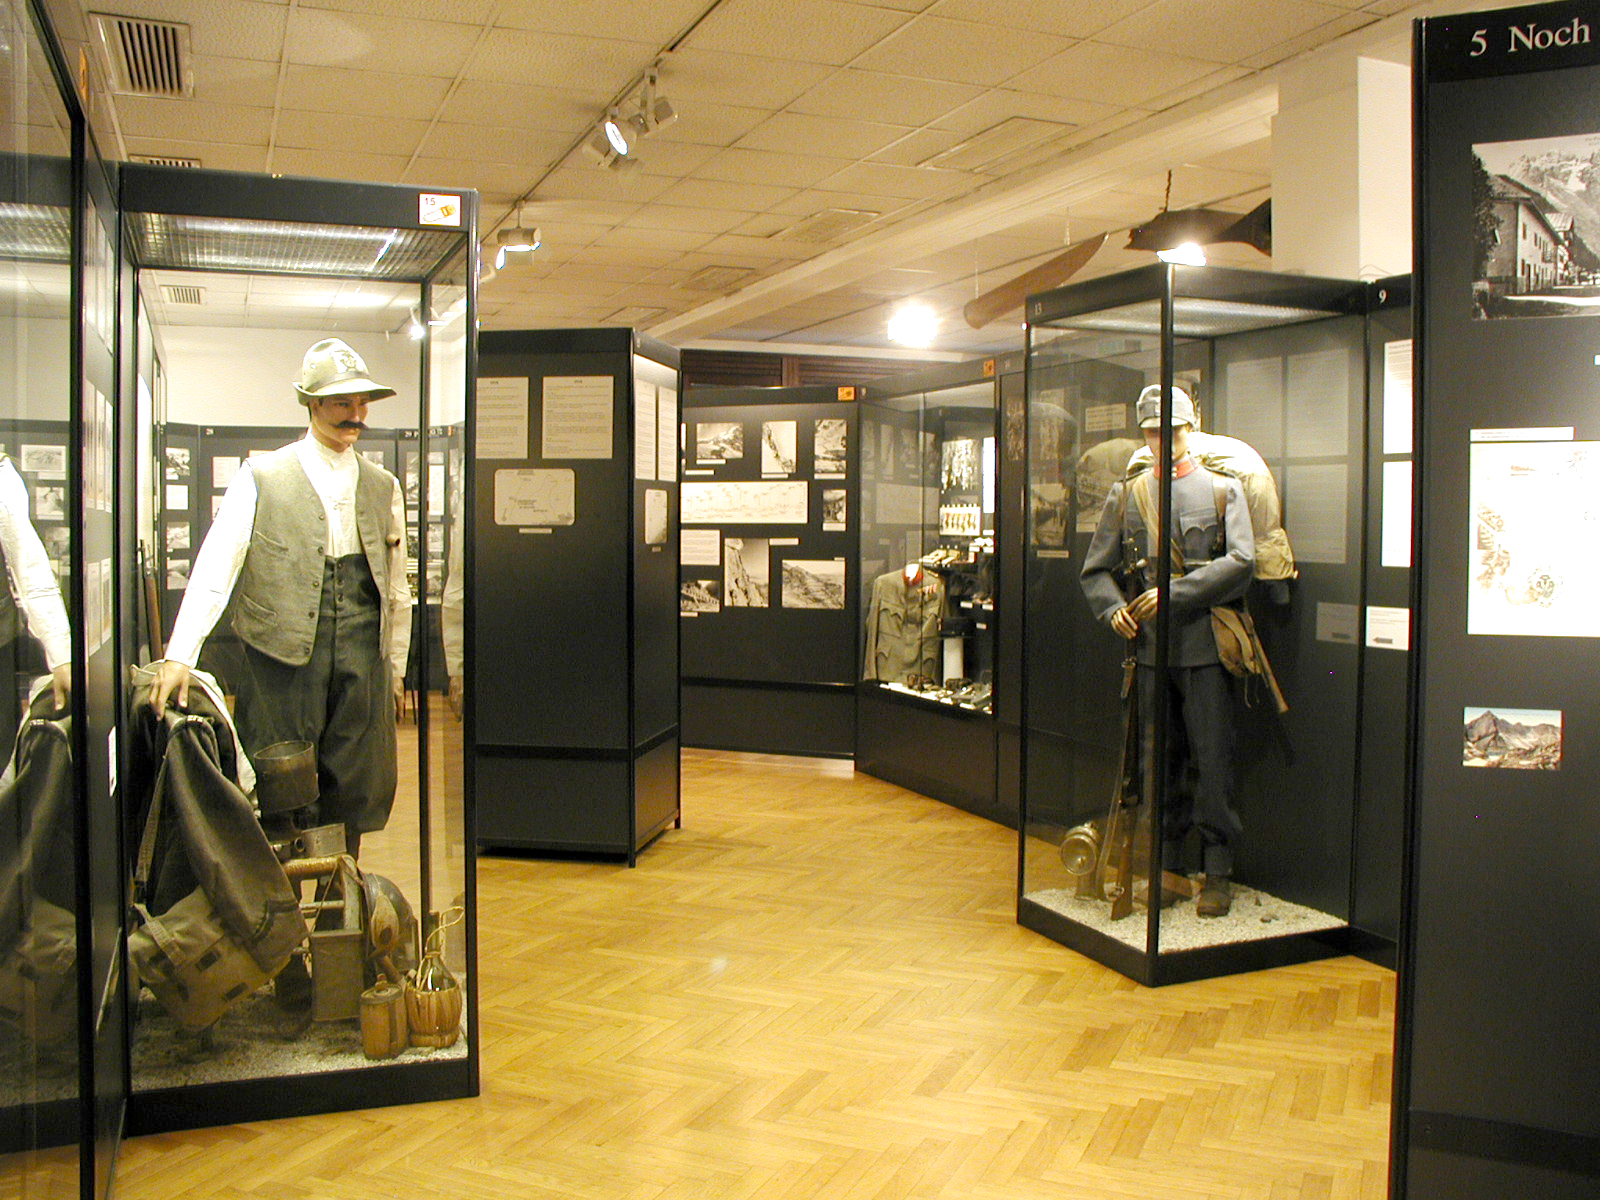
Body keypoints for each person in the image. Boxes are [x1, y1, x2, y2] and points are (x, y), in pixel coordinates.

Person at [149, 338, 413, 856]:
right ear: (312, 403)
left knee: (353, 786)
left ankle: (343, 909)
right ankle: (282, 920)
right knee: (281, 782)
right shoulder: (263, 475)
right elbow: (216, 564)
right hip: (282, 659)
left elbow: (396, 586)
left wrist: (396, 664)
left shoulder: (383, 485)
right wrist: (181, 654)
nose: (355, 415)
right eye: (342, 403)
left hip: (362, 655)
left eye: (362, 404)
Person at [1079, 383, 1254, 918]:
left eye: (1172, 430)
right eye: (1154, 431)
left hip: (1205, 647)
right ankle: (1169, 866)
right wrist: (1114, 610)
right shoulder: (1127, 496)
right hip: (1151, 651)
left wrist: (1174, 593)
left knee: (1213, 761)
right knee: (1158, 763)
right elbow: (1095, 569)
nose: (1164, 440)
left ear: (1190, 429)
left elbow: (1243, 559)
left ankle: (1217, 870)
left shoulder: (1224, 491)